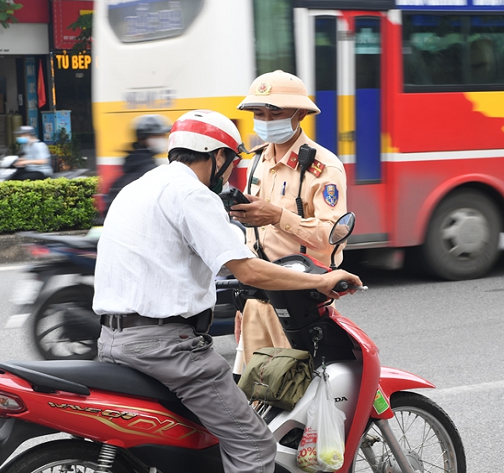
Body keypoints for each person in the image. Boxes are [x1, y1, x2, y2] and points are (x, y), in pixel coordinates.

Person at [94, 109, 362, 473]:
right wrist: (321, 280)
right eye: (229, 160)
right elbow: (249, 268)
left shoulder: (138, 187)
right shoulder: (192, 194)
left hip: (114, 339)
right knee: (253, 443)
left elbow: (169, 260)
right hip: (168, 350)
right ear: (216, 156)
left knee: (194, 439)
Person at [230, 70, 349, 369]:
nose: (266, 121)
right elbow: (250, 240)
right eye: (259, 113)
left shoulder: (323, 168)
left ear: (299, 113)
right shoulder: (257, 160)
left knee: (302, 394)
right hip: (257, 300)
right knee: (255, 395)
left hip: (301, 303)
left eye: (275, 112)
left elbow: (331, 237)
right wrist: (243, 306)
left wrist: (278, 216)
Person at [103, 114, 171, 216]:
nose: (163, 139)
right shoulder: (153, 173)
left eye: (163, 136)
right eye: (157, 135)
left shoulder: (131, 168)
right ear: (142, 139)